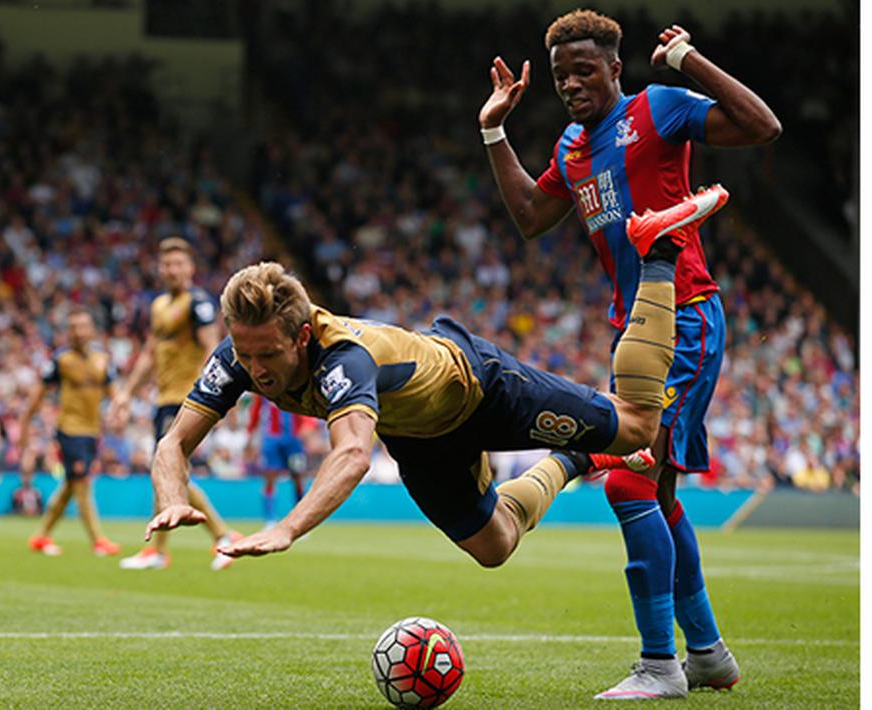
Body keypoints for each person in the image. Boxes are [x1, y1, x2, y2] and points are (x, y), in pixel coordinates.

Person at [145, 189, 721, 595]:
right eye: (244, 354)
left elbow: (350, 454)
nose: (255, 369)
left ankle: (657, 254)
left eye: (267, 355)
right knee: (495, 548)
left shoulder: (344, 357)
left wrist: (287, 527)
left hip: (479, 385)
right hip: (420, 438)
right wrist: (172, 498)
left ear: (300, 335)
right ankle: (572, 460)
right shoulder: (238, 356)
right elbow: (173, 444)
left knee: (641, 426)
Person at [478, 9, 780, 698]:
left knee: (625, 480)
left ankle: (659, 665)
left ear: (615, 67)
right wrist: (493, 128)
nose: (571, 84)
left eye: (584, 70)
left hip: (685, 318)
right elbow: (529, 217)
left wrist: (688, 60)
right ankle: (704, 656)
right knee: (660, 494)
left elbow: (762, 127)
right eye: (560, 76)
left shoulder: (658, 108)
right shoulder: (570, 148)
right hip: (631, 330)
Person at [108, 237, 240, 570]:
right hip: (164, 398)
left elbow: (213, 349)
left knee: (168, 467)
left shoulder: (198, 303)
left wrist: (215, 395)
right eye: (167, 264)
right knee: (166, 469)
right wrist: (125, 393)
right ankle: (162, 549)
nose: (172, 269)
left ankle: (221, 535)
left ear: (191, 268)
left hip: (188, 397)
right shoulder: (157, 306)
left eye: (179, 263)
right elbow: (149, 354)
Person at [18, 307, 121, 557]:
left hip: (92, 431)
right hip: (69, 429)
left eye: (82, 326)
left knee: (69, 486)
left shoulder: (102, 360)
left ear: (91, 330)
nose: (78, 332)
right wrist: (24, 424)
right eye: (73, 327)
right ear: (68, 332)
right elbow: (38, 395)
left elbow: (115, 394)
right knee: (82, 483)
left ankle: (41, 536)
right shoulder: (60, 361)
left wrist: (119, 414)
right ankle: (98, 540)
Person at [246, 396, 314, 529]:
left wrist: (308, 426)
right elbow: (256, 411)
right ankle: (270, 520)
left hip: (294, 440)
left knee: (298, 478)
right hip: (272, 440)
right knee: (270, 477)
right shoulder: (263, 387)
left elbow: (308, 406)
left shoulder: (295, 382)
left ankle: (300, 521)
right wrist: (250, 435)